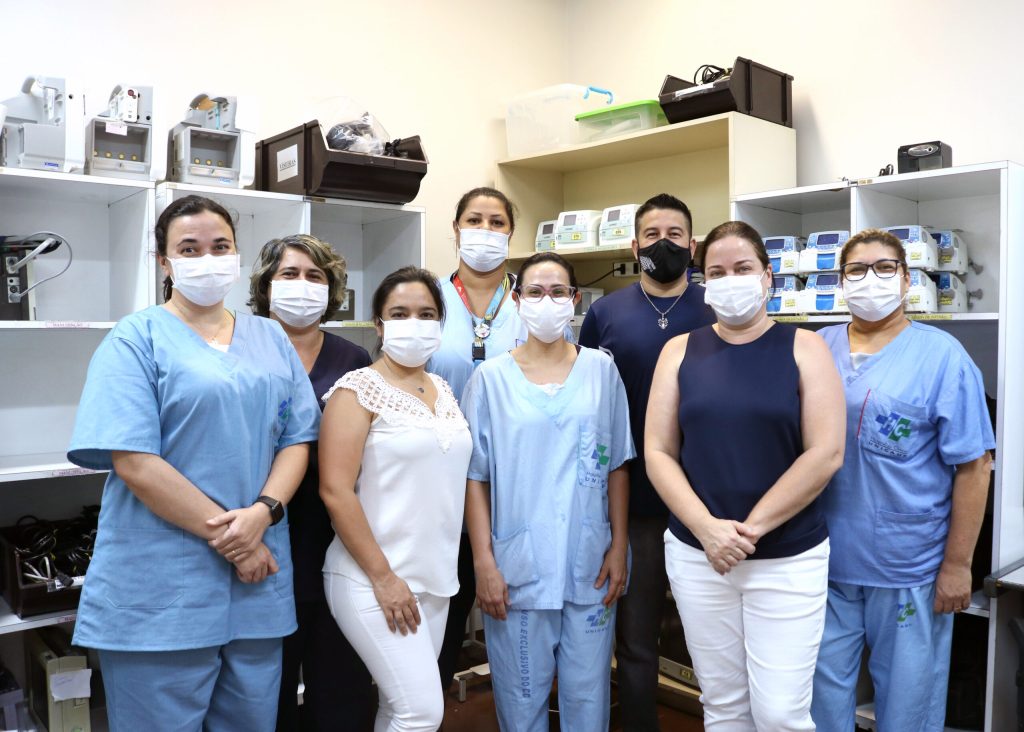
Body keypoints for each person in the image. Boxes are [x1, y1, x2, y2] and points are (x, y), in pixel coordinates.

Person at [66, 195, 320, 731]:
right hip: (162, 590)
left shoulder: (270, 337)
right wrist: (234, 539)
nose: (207, 258)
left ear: (236, 253)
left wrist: (262, 514)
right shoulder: (136, 338)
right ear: (164, 261)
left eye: (220, 246)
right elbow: (134, 461)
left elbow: (297, 438)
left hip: (258, 581)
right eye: (189, 248)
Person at [645, 220, 845, 731]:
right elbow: (658, 452)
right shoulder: (679, 351)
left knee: (780, 712)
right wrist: (709, 531)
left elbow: (824, 454)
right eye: (716, 271)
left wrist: (748, 530)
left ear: (767, 277)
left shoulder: (807, 348)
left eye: (742, 268)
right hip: (698, 555)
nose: (730, 278)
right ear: (702, 281)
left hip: (787, 557)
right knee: (724, 705)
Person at [810, 229, 994, 731]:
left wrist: (958, 565)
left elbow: (974, 467)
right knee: (819, 705)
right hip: (821, 561)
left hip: (907, 564)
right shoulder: (814, 347)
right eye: (856, 270)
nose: (870, 279)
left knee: (908, 710)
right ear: (841, 280)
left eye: (885, 268)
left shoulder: (942, 356)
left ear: (908, 278)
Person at [463, 252, 634, 732]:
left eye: (558, 292)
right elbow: (475, 478)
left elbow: (618, 463)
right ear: (517, 301)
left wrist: (619, 546)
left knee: (589, 700)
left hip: (590, 562)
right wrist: (484, 563)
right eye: (535, 292)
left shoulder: (602, 371)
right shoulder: (489, 379)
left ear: (575, 300)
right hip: (518, 567)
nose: (547, 301)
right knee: (521, 704)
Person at [578, 192, 714, 731]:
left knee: (709, 635)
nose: (665, 244)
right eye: (653, 235)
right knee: (636, 636)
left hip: (704, 497)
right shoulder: (606, 312)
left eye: (675, 234)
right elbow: (588, 396)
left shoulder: (715, 308)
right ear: (635, 246)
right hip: (629, 498)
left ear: (693, 244)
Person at [430, 186, 572, 695]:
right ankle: (429, 706)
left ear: (511, 234)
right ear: (455, 229)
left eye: (496, 222)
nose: (485, 231)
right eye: (474, 219)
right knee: (441, 610)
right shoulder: (431, 299)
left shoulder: (534, 301)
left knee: (509, 607)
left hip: (516, 483)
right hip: (437, 479)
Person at [319, 266, 472, 732]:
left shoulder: (442, 389)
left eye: (427, 314)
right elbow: (335, 490)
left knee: (399, 707)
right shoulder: (357, 389)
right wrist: (384, 578)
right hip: (371, 577)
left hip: (435, 579)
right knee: (421, 713)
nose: (415, 322)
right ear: (379, 325)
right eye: (400, 313)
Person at [248, 234, 375, 731]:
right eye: (289, 274)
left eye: (315, 276)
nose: (302, 286)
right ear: (265, 285)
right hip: (261, 542)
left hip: (334, 544)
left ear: (333, 289)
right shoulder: (240, 350)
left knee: (340, 690)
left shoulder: (353, 361)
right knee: (266, 695)